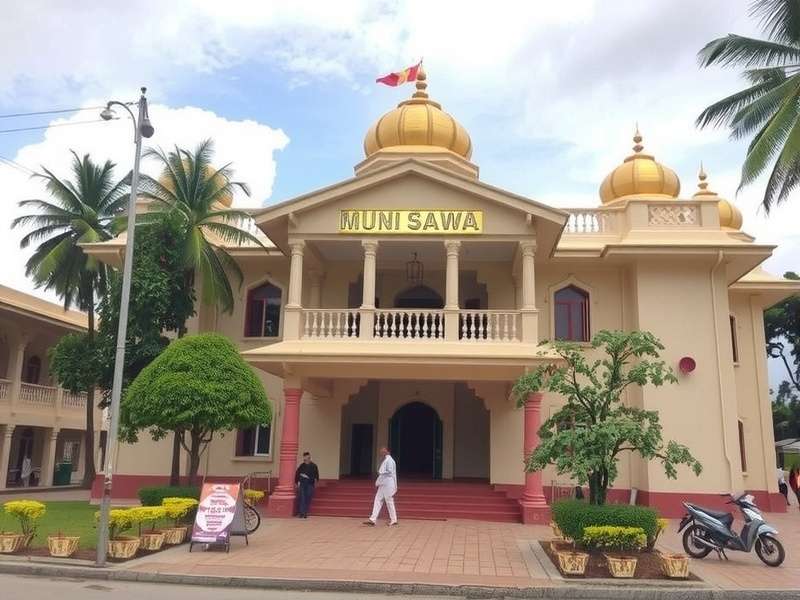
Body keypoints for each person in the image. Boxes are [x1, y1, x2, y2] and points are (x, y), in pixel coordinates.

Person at [363, 447, 398, 527]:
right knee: (378, 500)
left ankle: (394, 519)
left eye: (383, 450)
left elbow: (390, 471)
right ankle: (373, 519)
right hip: (383, 484)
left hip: (388, 484)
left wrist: (380, 472)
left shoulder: (390, 460)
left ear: (387, 451)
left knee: (389, 501)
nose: (381, 451)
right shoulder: (386, 460)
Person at [294, 451, 319, 518]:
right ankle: (301, 513)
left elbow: (316, 476)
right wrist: (296, 482)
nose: (306, 459)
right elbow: (297, 474)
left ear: (309, 457)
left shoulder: (314, 466)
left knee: (308, 498)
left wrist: (315, 482)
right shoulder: (302, 466)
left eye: (307, 458)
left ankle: (305, 512)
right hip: (302, 484)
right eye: (305, 458)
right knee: (302, 498)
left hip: (310, 484)